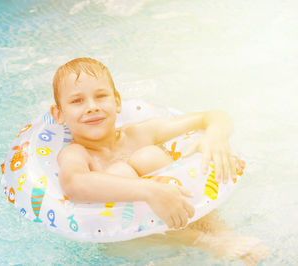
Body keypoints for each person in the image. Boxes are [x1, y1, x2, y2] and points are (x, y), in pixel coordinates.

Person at [50, 57, 268, 265]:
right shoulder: (76, 153)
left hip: (183, 213)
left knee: (148, 157)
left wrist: (216, 136)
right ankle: (204, 242)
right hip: (134, 240)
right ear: (59, 113)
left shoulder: (139, 134)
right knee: (120, 173)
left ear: (117, 101)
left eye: (100, 96)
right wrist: (149, 190)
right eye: (77, 101)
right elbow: (74, 184)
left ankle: (222, 233)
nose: (92, 107)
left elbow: (213, 116)